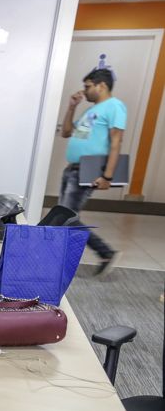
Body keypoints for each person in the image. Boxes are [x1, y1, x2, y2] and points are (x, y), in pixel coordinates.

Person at [57, 68, 124, 275]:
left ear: (101, 85)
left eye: (87, 87)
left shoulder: (115, 107)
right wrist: (71, 107)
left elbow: (116, 141)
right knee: (63, 216)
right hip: (73, 169)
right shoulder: (92, 110)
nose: (84, 91)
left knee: (66, 217)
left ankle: (105, 252)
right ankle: (102, 253)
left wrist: (108, 176)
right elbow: (67, 132)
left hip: (88, 169)